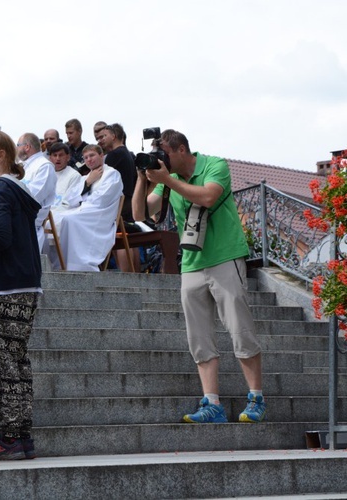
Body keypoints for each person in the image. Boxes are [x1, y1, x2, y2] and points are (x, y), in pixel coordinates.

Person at [132, 128, 266, 424]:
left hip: (224, 256)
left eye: (164, 155)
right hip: (191, 263)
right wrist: (143, 178)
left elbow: (207, 197)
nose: (161, 160)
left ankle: (256, 397)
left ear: (180, 150)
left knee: (240, 328)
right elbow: (140, 212)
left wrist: (166, 180)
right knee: (198, 337)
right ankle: (212, 404)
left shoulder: (213, 165)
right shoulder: (170, 180)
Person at [0, 130, 42, 461]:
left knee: (1, 362)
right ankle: (22, 437)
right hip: (25, 283)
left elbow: (0, 236)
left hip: (5, 285)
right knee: (16, 361)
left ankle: (12, 436)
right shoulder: (18, 188)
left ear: (1, 155)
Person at [56, 144, 123, 271]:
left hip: (99, 217)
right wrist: (87, 183)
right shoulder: (85, 177)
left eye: (92, 155)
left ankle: (78, 266)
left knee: (70, 220)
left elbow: (101, 200)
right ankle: (59, 264)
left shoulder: (112, 174)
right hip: (84, 213)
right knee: (54, 220)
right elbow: (70, 200)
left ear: (102, 155)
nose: (89, 160)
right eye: (85, 157)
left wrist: (82, 205)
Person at [95, 123, 140, 271]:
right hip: (129, 202)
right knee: (129, 241)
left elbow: (100, 176)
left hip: (119, 203)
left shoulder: (115, 155)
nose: (100, 140)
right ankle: (135, 275)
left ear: (113, 136)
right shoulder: (127, 153)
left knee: (118, 239)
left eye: (104, 136)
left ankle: (126, 277)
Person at [17, 132, 56, 251]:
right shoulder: (22, 165)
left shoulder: (44, 166)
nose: (16, 148)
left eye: (18, 145)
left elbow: (34, 196)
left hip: (30, 216)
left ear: (27, 147)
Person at [49, 142, 83, 211]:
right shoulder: (46, 174)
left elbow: (68, 204)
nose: (57, 158)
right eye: (55, 155)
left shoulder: (74, 176)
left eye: (61, 155)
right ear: (50, 158)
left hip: (60, 215)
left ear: (68, 157)